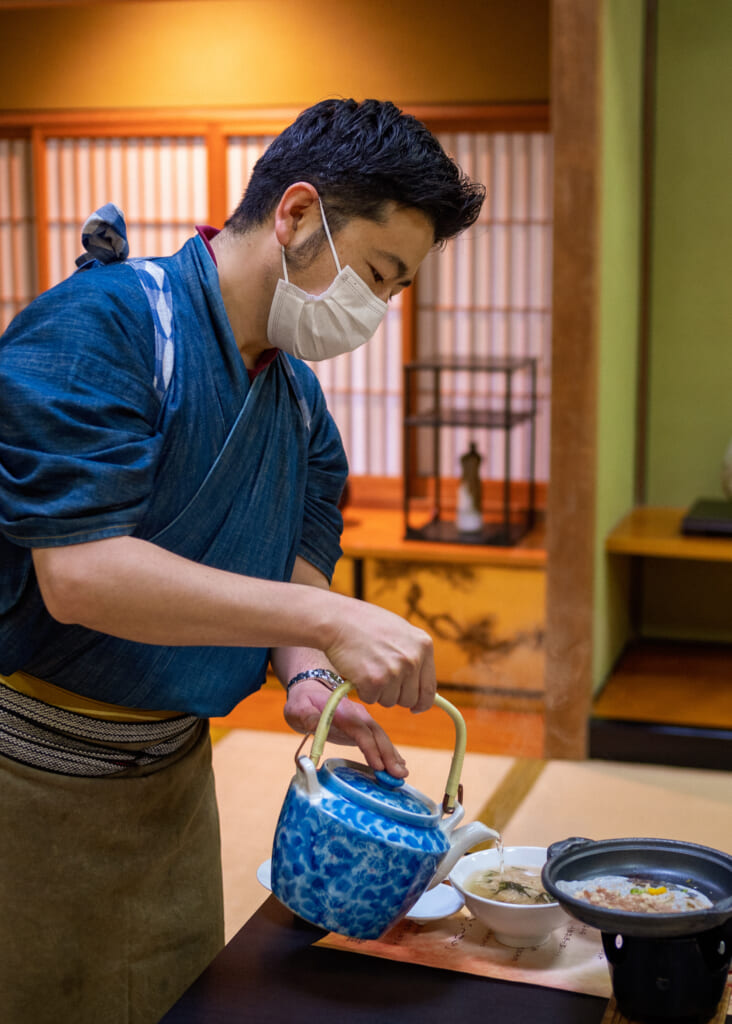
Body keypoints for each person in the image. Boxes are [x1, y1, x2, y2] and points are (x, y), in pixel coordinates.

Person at [0, 97, 485, 1023]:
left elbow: (296, 559)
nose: (376, 311)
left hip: (177, 781)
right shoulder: (104, 327)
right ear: (297, 215)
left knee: (178, 999)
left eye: (395, 292)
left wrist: (306, 676)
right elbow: (81, 575)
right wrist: (329, 621)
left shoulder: (298, 403)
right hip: (29, 778)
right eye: (377, 275)